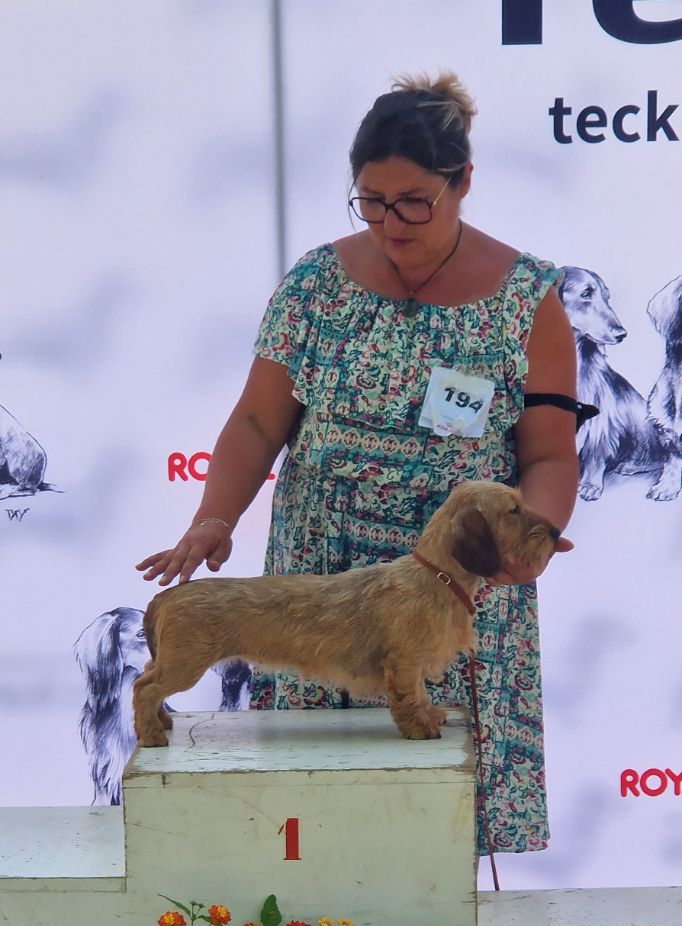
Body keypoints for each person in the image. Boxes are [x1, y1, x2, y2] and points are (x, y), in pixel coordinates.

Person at [137, 71, 578, 858]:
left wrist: (529, 541)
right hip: (324, 575)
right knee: (318, 819)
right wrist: (213, 517)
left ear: (463, 182)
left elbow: (547, 451)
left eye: (413, 201)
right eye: (370, 201)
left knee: (433, 817)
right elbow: (254, 419)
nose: (390, 222)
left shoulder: (529, 298)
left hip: (462, 575)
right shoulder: (315, 283)